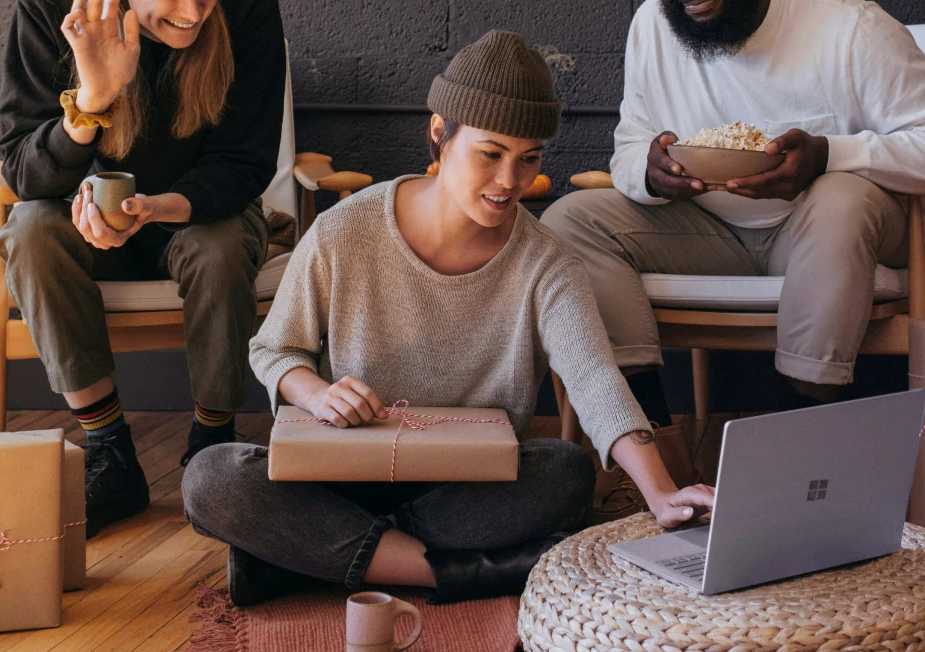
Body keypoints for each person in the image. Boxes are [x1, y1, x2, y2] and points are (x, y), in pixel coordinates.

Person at [182, 31, 714, 606]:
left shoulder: (548, 263)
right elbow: (273, 350)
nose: (511, 181)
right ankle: (455, 574)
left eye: (528, 158)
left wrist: (661, 493)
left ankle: (305, 564)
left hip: (465, 489)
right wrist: (315, 394)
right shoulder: (345, 230)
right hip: (339, 477)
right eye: (491, 154)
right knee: (211, 478)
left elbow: (593, 378)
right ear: (440, 134)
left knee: (563, 471)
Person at [543, 0, 925, 403]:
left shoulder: (850, 29)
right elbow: (630, 143)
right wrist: (650, 171)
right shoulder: (652, 27)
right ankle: (650, 436)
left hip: (839, 232)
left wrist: (829, 155)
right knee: (570, 219)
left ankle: (808, 419)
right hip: (712, 233)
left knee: (842, 196)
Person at [0, 0, 288, 537]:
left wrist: (163, 206)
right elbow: (23, 170)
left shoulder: (248, 12)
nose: (191, 12)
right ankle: (109, 451)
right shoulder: (49, 8)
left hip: (196, 213)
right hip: (85, 222)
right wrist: (95, 95)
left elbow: (244, 164)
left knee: (217, 246)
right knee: (30, 234)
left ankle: (212, 442)